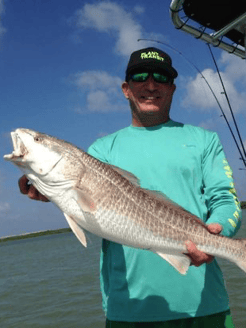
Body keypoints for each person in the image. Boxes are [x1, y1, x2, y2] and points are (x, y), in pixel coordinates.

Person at [19, 47, 242, 327]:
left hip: (205, 305)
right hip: (128, 310)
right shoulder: (101, 150)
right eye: (140, 76)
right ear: (126, 89)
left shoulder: (204, 140)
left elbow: (225, 199)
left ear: (172, 88)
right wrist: (48, 191)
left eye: (160, 78)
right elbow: (84, 204)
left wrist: (219, 231)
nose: (150, 85)